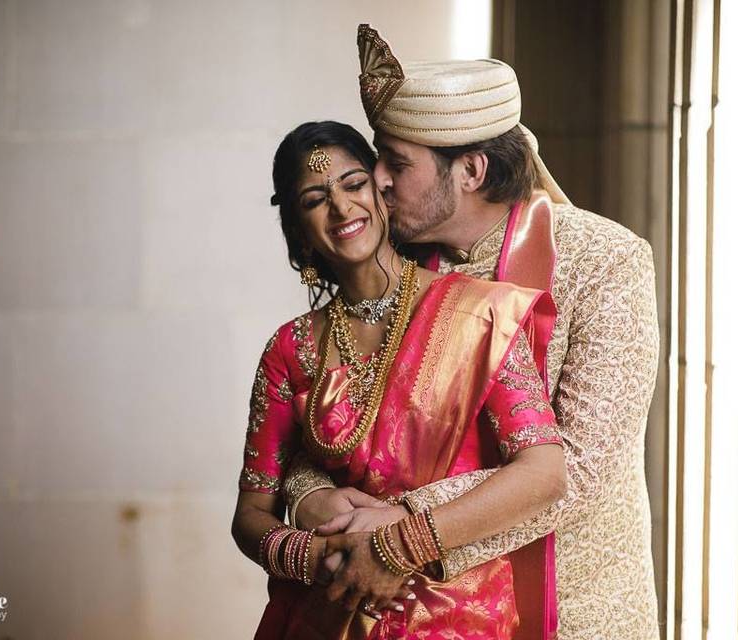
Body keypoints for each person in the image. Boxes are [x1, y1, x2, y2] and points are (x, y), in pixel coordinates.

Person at [283, 25, 661, 640]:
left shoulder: (604, 261)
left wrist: (399, 532)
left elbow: (582, 469)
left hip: (572, 611)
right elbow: (317, 429)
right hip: (415, 615)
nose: (375, 180)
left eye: (396, 163)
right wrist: (315, 503)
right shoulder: (389, 267)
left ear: (472, 170)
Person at [231, 120, 567, 639]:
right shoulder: (290, 349)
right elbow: (252, 514)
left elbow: (544, 472)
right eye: (316, 198)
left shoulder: (478, 313)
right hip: (327, 611)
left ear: (381, 190)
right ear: (298, 230)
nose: (342, 209)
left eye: (353, 184)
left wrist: (399, 544)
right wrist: (318, 557)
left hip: (455, 615)